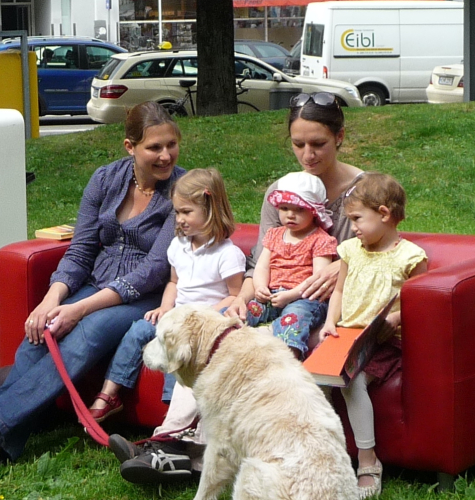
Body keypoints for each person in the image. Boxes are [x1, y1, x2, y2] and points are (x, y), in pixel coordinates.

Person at [116, 92, 366, 483]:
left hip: (329, 302)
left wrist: (339, 271)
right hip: (273, 294)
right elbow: (264, 259)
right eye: (298, 144)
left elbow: (373, 255)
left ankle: (184, 452)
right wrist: (239, 301)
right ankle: (178, 442)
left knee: (276, 341)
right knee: (211, 340)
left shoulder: (362, 191)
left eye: (318, 144)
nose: (308, 155)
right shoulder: (280, 193)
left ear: (340, 137)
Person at [0, 101, 185, 470]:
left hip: (145, 297)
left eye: (171, 146)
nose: (166, 156)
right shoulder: (105, 179)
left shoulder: (181, 188)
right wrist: (51, 301)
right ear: (130, 147)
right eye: (154, 148)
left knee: (89, 330)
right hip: (96, 284)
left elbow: (152, 270)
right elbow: (81, 249)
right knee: (42, 332)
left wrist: (79, 308)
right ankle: (0, 443)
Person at [86, 168, 245, 423]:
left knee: (177, 350)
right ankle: (110, 394)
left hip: (201, 324)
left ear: (210, 209)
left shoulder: (227, 254)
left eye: (186, 212)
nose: (179, 219)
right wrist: (164, 307)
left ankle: (174, 416)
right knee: (138, 330)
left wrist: (203, 316)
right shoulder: (178, 245)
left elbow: (235, 296)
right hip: (175, 315)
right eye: (177, 212)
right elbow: (174, 282)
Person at [318, 172, 428, 497]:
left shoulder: (410, 257)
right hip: (345, 335)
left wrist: (394, 317)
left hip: (382, 342)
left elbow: (417, 302)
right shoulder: (351, 250)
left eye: (356, 219)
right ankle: (328, 456)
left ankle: (368, 462)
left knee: (354, 382)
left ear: (383, 214)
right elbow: (338, 291)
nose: (352, 227)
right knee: (315, 381)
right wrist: (329, 322)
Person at [243, 171, 338, 360]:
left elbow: (317, 280)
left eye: (299, 209)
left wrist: (290, 296)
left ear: (314, 211)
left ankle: (287, 359)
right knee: (248, 311)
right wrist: (260, 287)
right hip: (272, 294)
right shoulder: (274, 235)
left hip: (305, 298)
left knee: (294, 319)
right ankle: (229, 341)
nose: (290, 215)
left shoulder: (321, 240)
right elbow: (262, 267)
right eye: (284, 208)